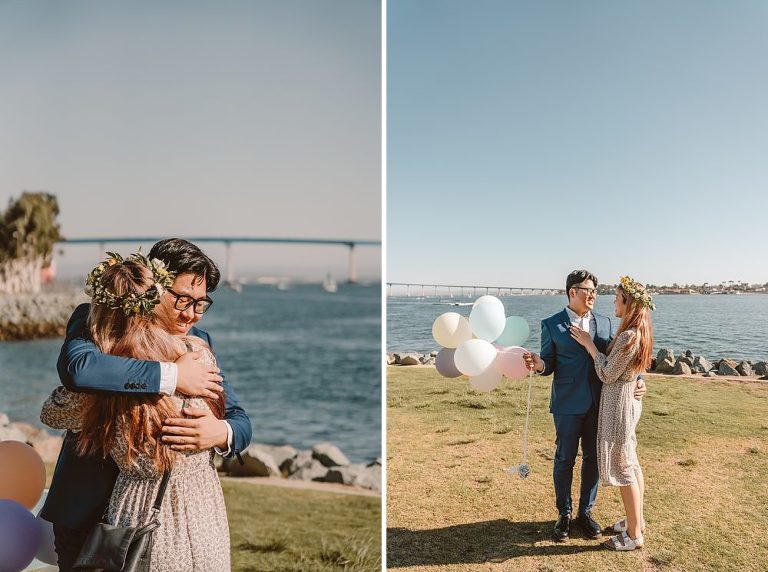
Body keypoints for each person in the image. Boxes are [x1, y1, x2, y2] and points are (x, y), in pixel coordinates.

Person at [40, 239, 252, 571]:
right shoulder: (99, 320)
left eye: (201, 303)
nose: (191, 313)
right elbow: (80, 370)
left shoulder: (200, 343)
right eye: (182, 299)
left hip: (175, 519)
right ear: (153, 288)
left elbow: (240, 419)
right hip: (88, 510)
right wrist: (172, 375)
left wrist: (219, 432)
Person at [523, 270, 646, 542]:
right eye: (588, 290)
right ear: (572, 292)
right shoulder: (551, 324)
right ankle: (564, 514)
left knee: (594, 459)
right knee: (564, 459)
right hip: (567, 405)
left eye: (595, 291)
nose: (593, 295)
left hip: (601, 405)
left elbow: (623, 355)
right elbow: (548, 363)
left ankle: (585, 512)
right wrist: (538, 363)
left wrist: (640, 379)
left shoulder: (603, 323)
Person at [569, 275, 654, 551]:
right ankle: (635, 521)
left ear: (628, 304)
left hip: (619, 406)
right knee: (632, 461)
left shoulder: (630, 335)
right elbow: (631, 368)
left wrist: (589, 344)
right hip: (626, 401)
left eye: (617, 298)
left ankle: (634, 535)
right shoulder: (634, 332)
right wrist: (640, 379)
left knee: (624, 467)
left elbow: (607, 373)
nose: (613, 302)